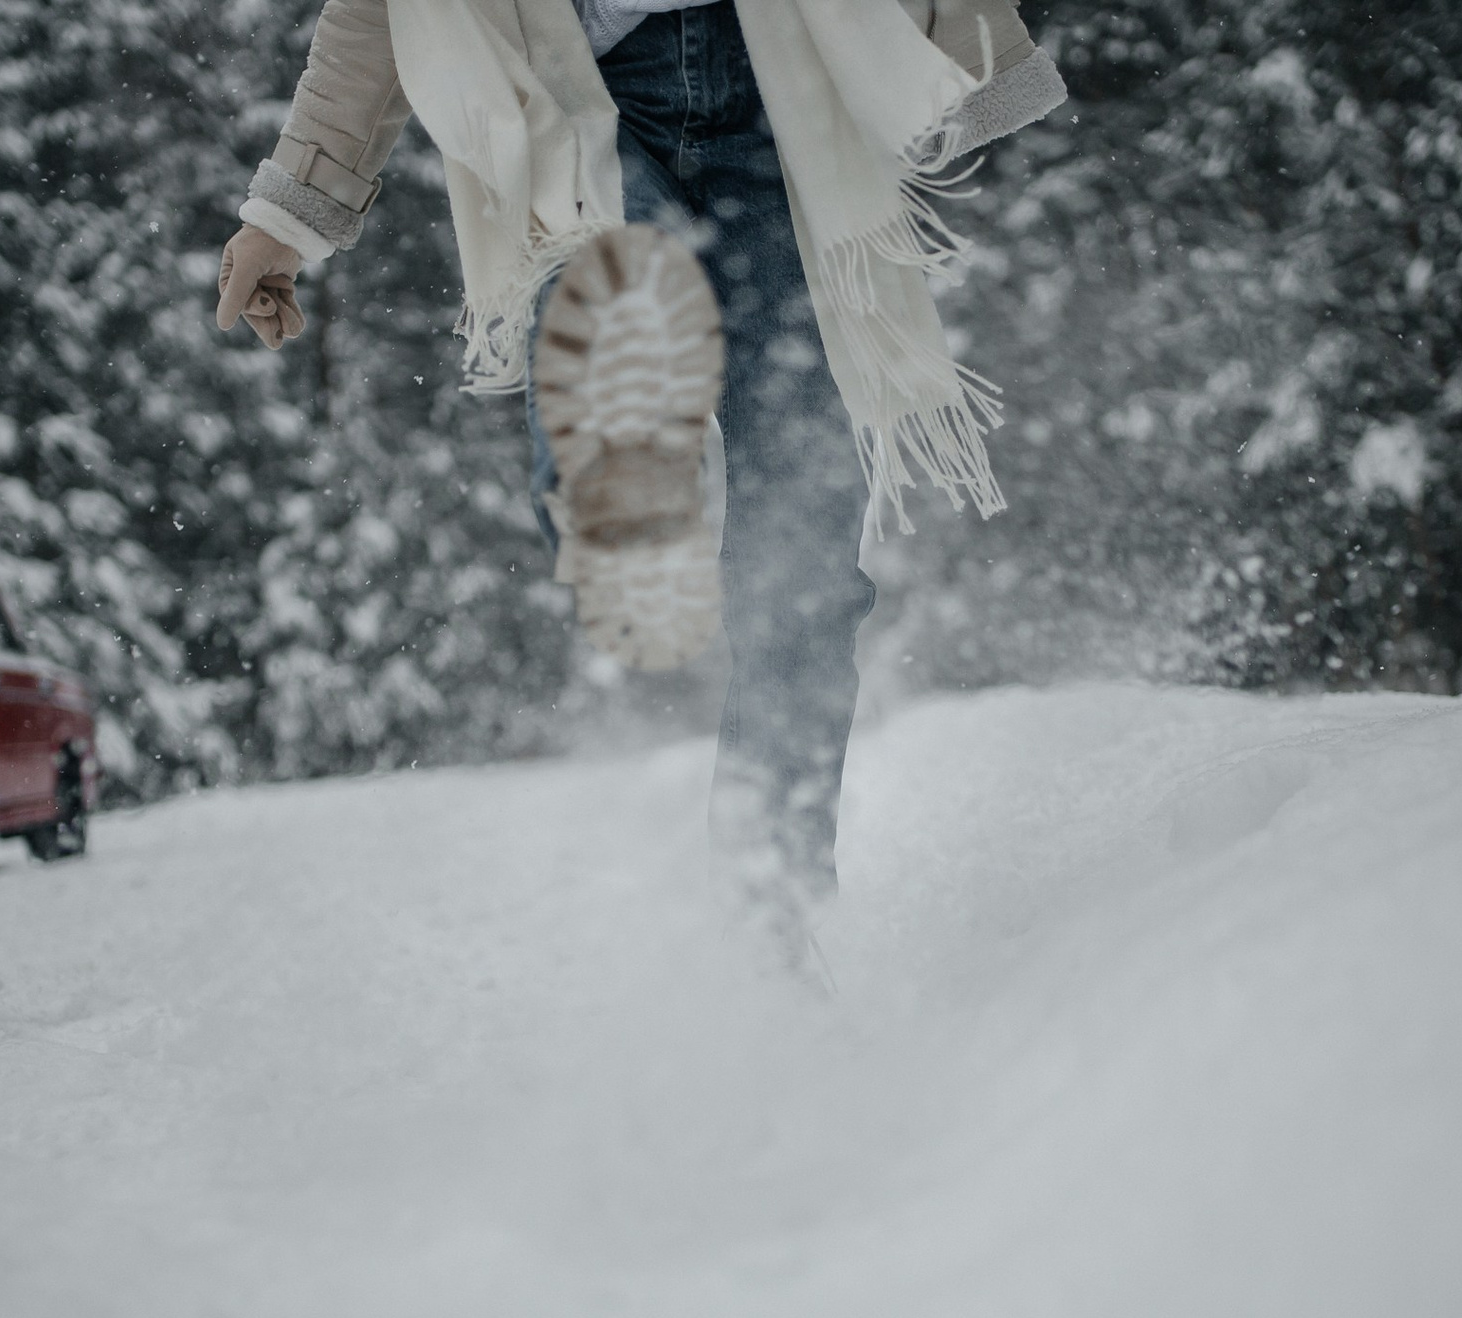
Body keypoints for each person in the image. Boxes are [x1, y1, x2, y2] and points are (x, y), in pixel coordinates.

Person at [215, 0, 1063, 954]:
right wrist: (290, 208)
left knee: (807, 572)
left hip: (782, 87)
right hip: (584, 103)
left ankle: (770, 921)